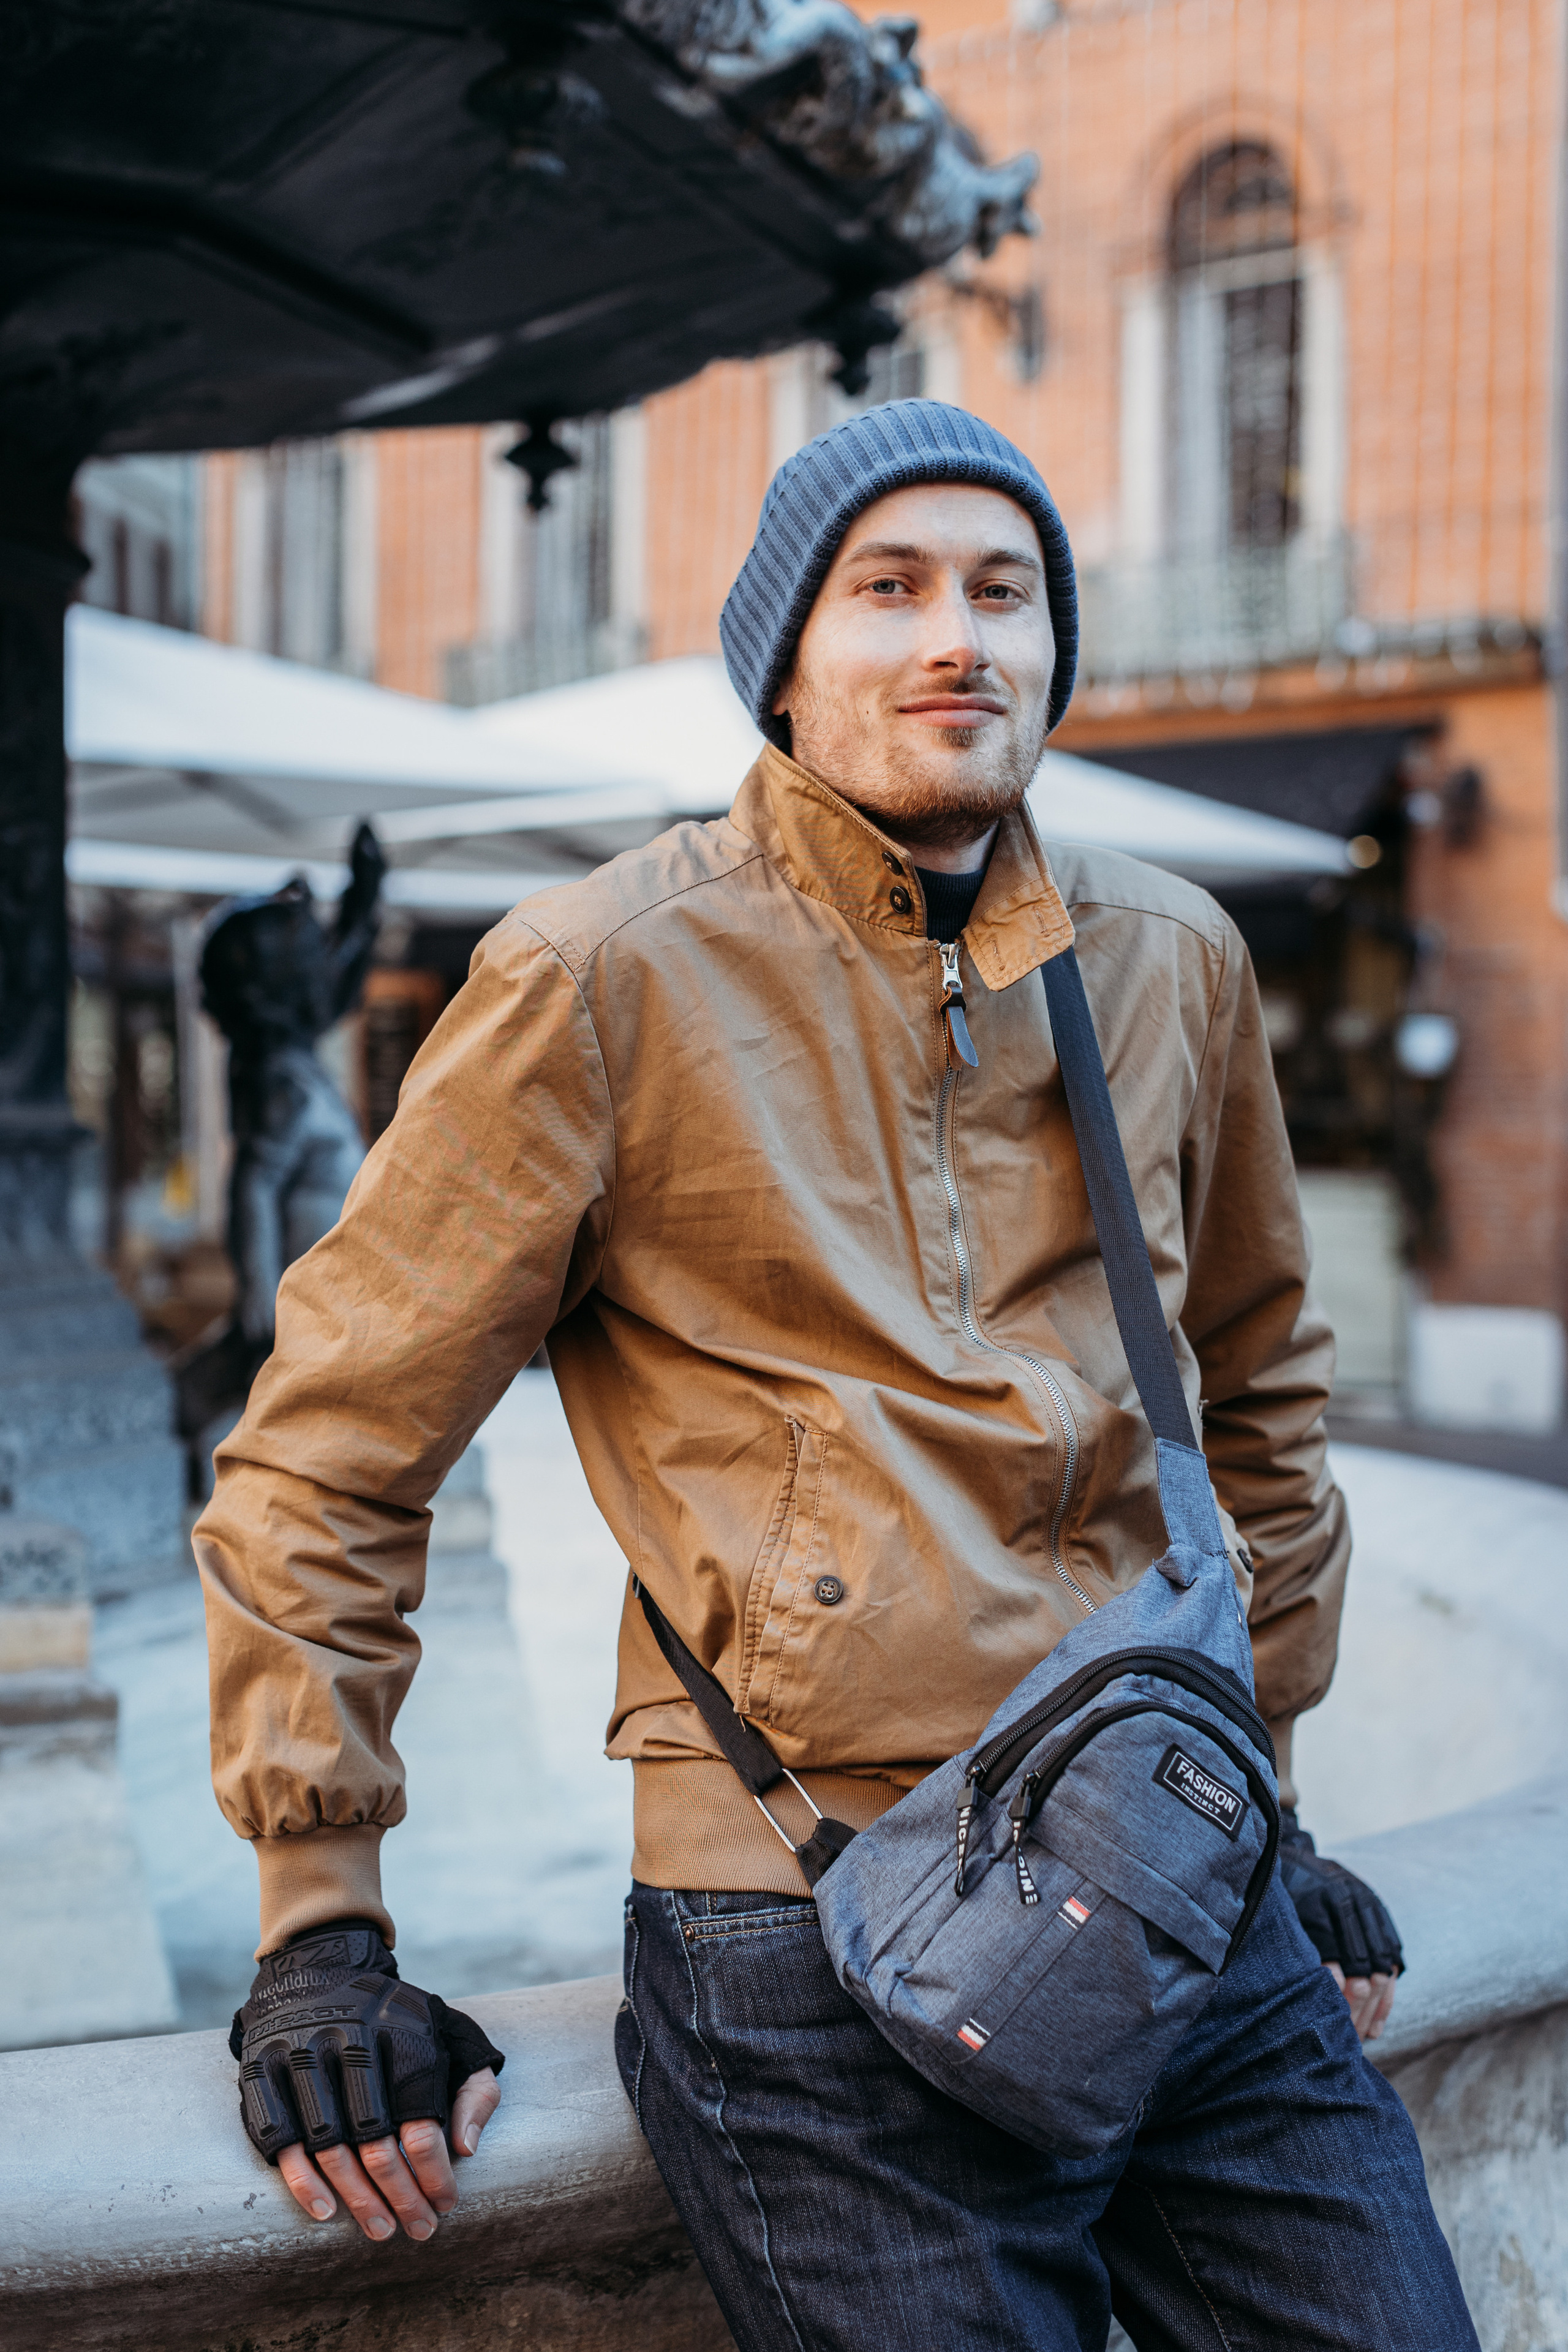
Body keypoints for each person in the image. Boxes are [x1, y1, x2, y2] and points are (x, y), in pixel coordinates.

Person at [198, 402, 1475, 2348]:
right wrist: (322, 1922)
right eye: (889, 589)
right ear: (787, 664)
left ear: (1056, 649)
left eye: (1005, 590)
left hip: (1161, 1864)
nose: (958, 637)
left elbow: (1259, 1400)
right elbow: (329, 1455)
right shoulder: (599, 974)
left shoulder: (1172, 957)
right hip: (795, 1912)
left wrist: (1264, 1807)